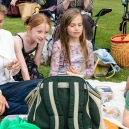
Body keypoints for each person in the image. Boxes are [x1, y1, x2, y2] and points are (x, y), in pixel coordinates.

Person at [0, 4, 42, 116]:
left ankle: (9, 106)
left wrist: (14, 66)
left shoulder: (6, 36)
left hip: (6, 86)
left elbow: (11, 70)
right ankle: (31, 109)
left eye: (0, 21)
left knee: (41, 84)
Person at [50, 8, 94, 78]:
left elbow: (91, 69)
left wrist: (80, 74)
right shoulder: (58, 45)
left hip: (78, 80)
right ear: (65, 27)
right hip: (60, 81)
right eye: (72, 25)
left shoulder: (88, 45)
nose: (77, 28)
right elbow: (53, 72)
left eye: (79, 25)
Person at [13, 13, 51, 81]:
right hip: (16, 66)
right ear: (29, 29)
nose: (43, 36)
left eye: (46, 32)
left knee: (39, 80)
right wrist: (29, 83)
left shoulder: (41, 40)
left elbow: (37, 61)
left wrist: (35, 74)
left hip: (27, 63)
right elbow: (22, 66)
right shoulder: (18, 40)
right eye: (39, 32)